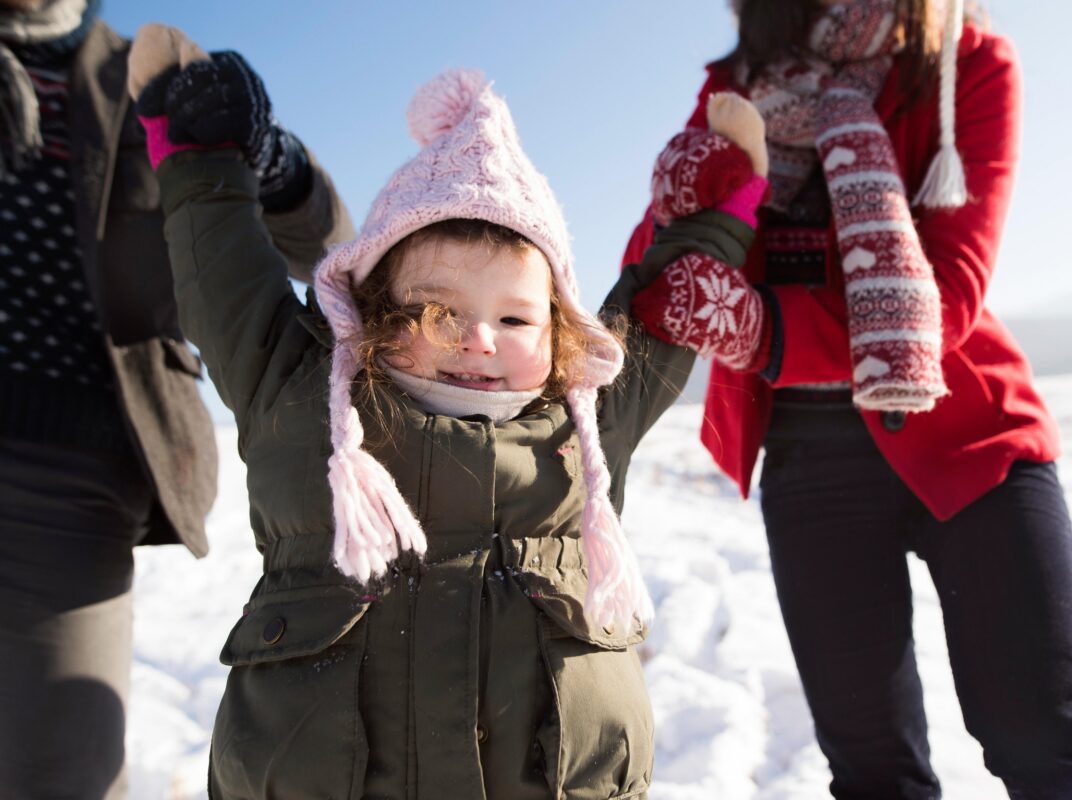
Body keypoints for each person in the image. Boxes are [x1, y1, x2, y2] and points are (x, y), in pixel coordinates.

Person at [128, 23, 768, 798]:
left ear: (561, 328)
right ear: (374, 312)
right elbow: (225, 278)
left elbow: (662, 309)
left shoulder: (587, 416)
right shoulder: (300, 394)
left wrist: (717, 214)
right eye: (438, 311)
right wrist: (198, 157)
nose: (479, 340)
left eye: (516, 318)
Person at [625, 0, 1072, 797]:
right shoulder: (737, 88)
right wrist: (693, 180)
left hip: (966, 434)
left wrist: (758, 327)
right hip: (806, 457)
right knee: (872, 771)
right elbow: (664, 263)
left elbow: (949, 291)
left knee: (1047, 736)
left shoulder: (963, 64)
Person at [0, 2, 352, 797]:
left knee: (60, 775)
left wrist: (266, 155)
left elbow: (329, 248)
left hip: (64, 472)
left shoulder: (151, 80)